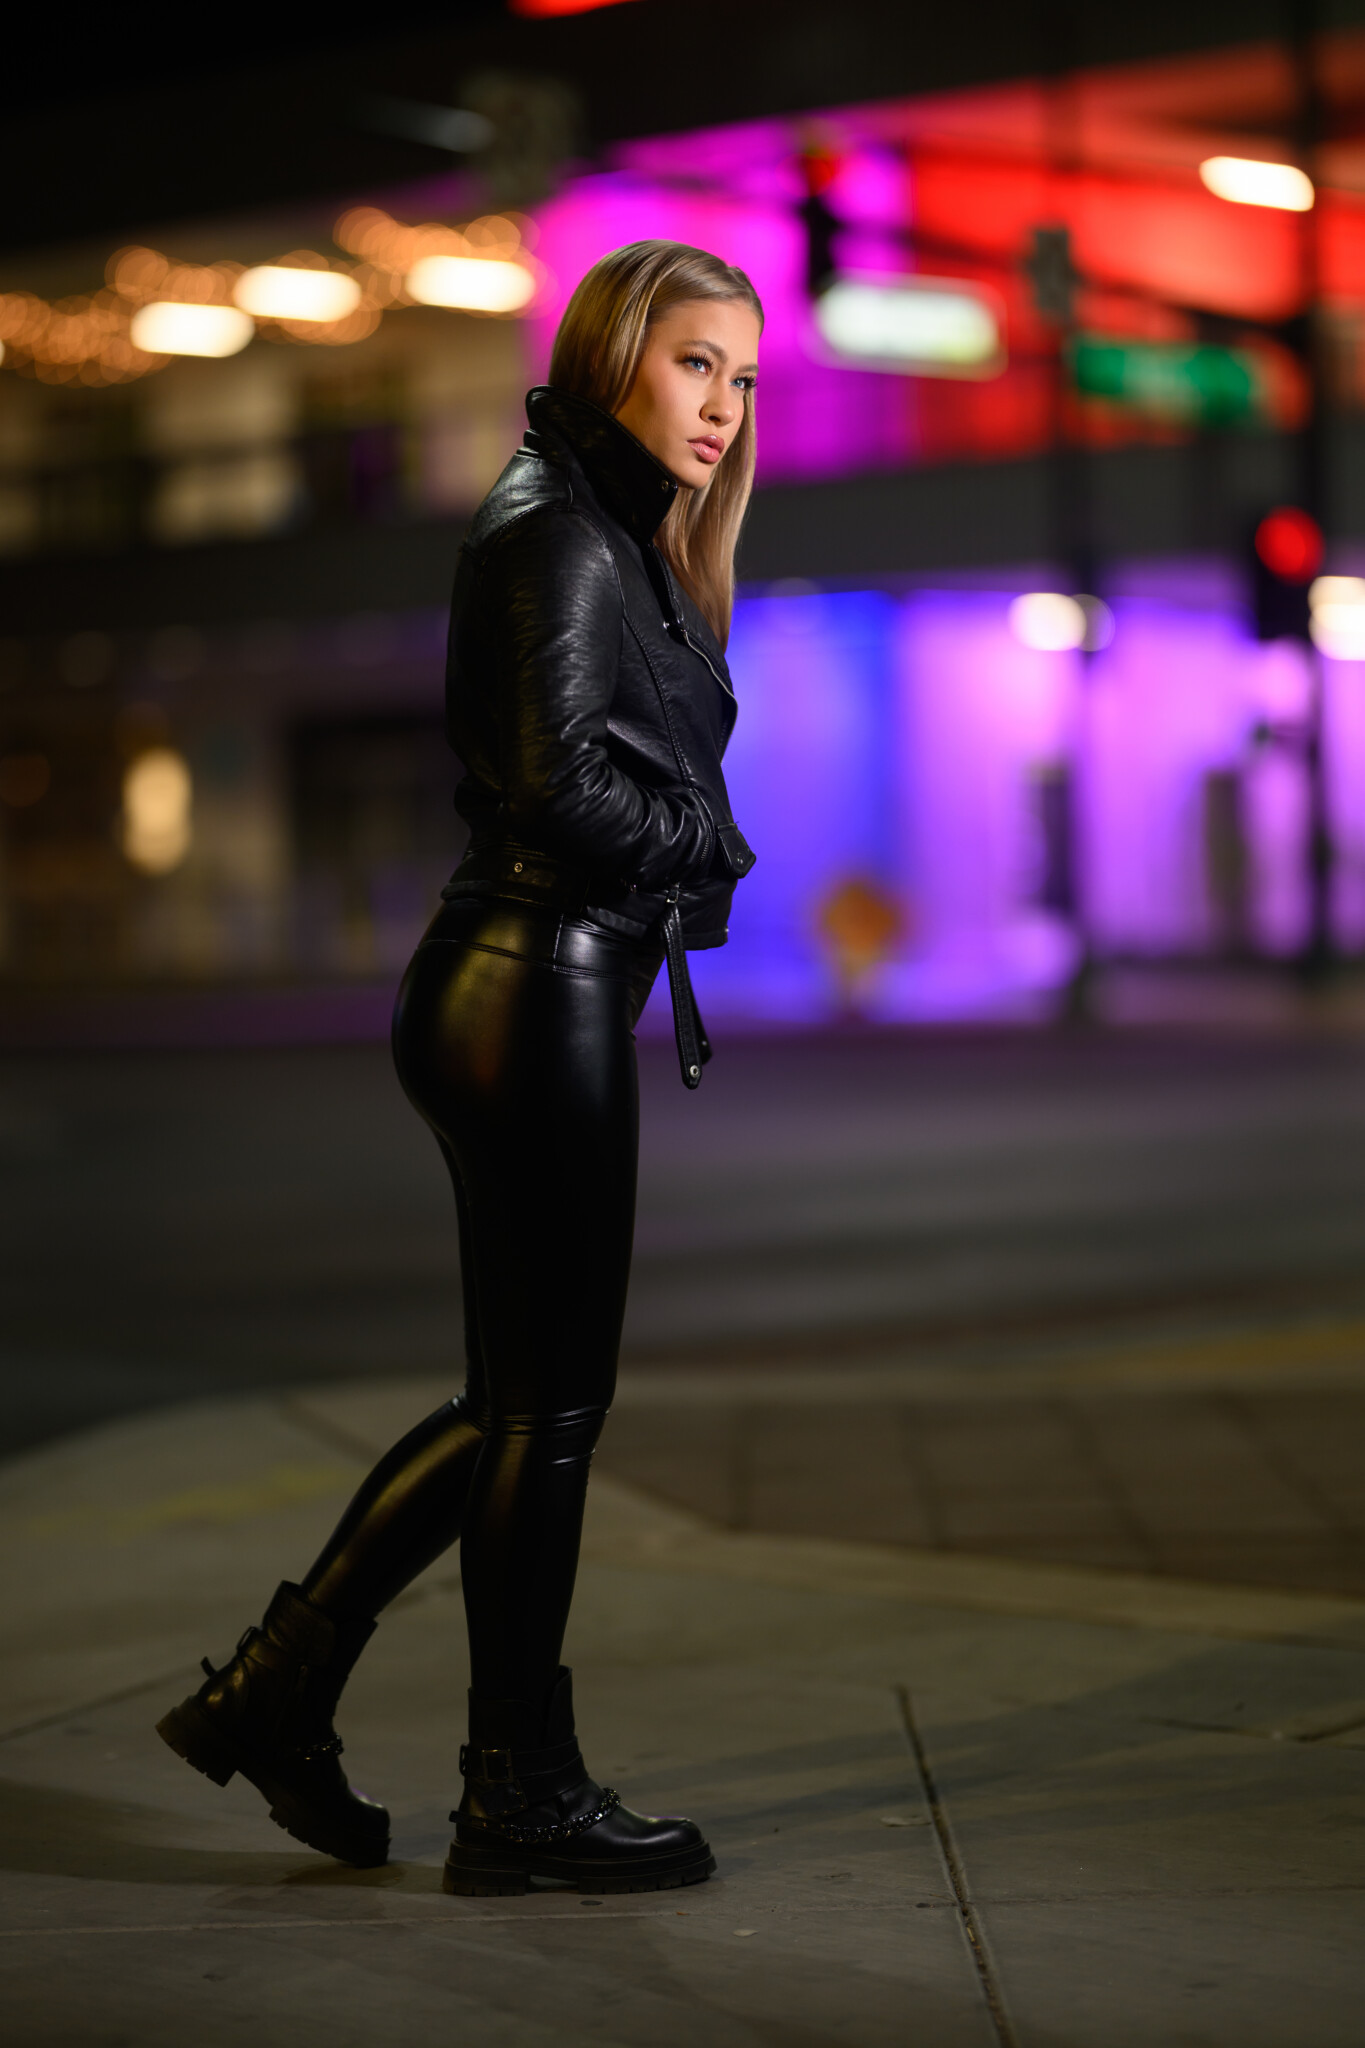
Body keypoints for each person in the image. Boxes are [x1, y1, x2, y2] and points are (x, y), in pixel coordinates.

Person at [156, 240, 762, 1899]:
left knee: (517, 1405)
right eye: (697, 364)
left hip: (536, 983)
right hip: (532, 983)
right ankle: (518, 1792)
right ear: (617, 354)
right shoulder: (554, 536)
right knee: (548, 1415)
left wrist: (683, 850)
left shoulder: (608, 531)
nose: (723, 407)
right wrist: (703, 838)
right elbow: (550, 784)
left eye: (744, 379)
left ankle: (276, 1694)